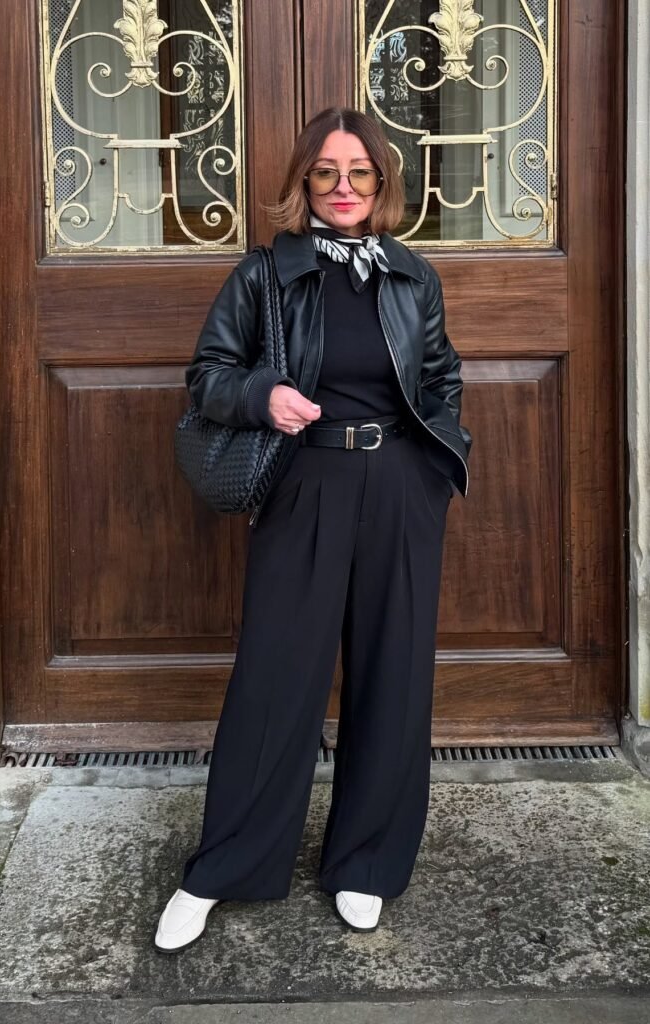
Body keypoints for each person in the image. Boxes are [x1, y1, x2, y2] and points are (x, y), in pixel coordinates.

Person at [155, 106, 472, 953]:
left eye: (359, 171)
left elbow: (440, 377)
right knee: (274, 678)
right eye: (325, 171)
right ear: (304, 182)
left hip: (400, 487)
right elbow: (208, 373)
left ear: (382, 181)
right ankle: (224, 867)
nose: (342, 187)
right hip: (306, 482)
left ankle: (366, 862)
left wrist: (434, 472)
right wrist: (262, 396)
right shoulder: (267, 273)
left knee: (392, 675)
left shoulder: (410, 275)